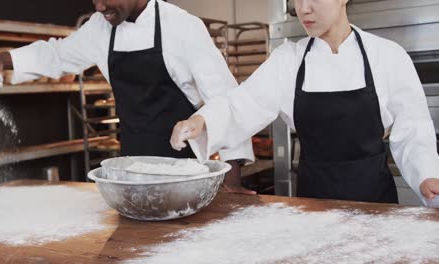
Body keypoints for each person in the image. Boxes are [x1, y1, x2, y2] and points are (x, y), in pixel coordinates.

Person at [170, 0, 439, 205]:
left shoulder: (388, 56)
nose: (304, 9)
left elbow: (413, 129)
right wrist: (201, 120)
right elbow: (242, 103)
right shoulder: (288, 60)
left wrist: (427, 175)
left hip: (375, 204)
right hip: (313, 206)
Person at [0, 0, 255, 194]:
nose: (99, 6)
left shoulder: (182, 26)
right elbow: (58, 55)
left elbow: (226, 99)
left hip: (186, 176)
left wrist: (231, 180)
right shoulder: (99, 28)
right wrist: (5, 59)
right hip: (132, 174)